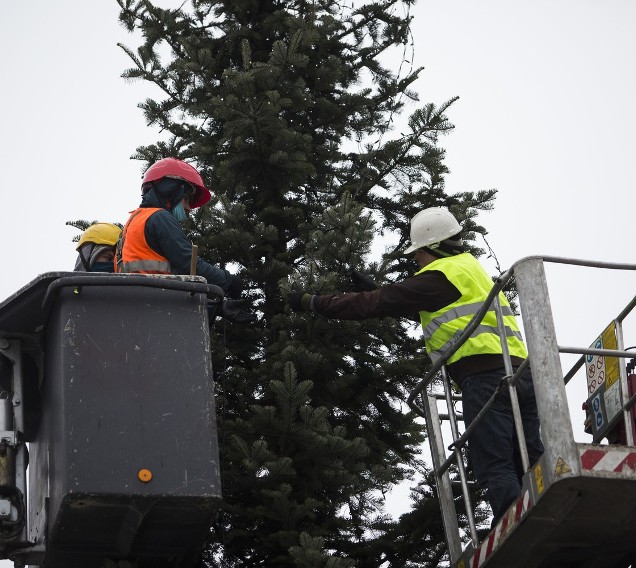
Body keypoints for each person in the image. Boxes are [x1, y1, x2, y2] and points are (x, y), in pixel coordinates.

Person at [286, 206, 544, 524]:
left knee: (494, 460)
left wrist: (312, 302)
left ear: (432, 247)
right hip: (521, 374)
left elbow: (376, 304)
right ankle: (549, 506)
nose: (417, 260)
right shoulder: (469, 269)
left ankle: (512, 523)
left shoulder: (437, 279)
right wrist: (373, 286)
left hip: (484, 379)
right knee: (530, 454)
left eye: (418, 254)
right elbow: (432, 307)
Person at [115, 157, 253, 324]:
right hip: (156, 310)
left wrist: (217, 306)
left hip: (138, 310)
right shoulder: (159, 218)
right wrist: (229, 281)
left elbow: (169, 278)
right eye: (186, 198)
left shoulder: (133, 222)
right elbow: (189, 264)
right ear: (170, 191)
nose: (188, 208)